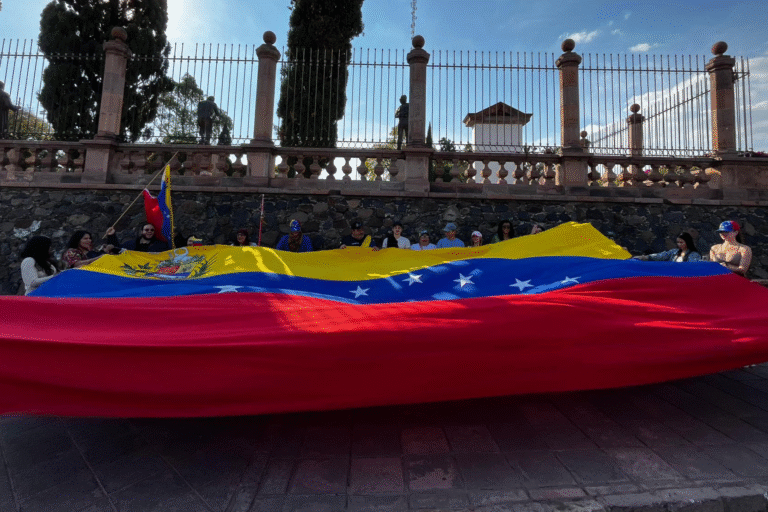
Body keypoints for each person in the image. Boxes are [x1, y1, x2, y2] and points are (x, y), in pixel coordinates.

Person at [633, 232, 702, 262]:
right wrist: (645, 257)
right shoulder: (674, 252)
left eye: (681, 242)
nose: (679, 244)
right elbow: (660, 256)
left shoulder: (694, 255)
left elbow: (693, 267)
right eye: (678, 242)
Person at [106, 224, 170, 253]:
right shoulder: (131, 244)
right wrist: (112, 235)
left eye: (152, 230)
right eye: (147, 230)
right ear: (142, 232)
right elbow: (117, 249)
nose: (149, 231)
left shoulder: (161, 245)